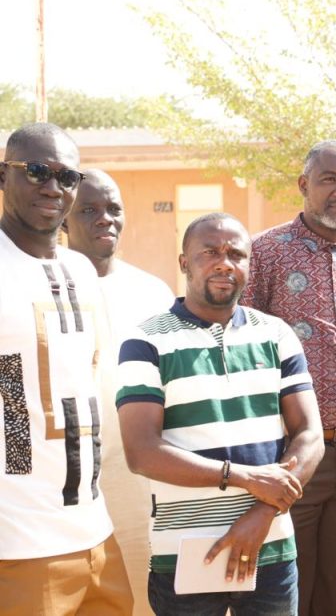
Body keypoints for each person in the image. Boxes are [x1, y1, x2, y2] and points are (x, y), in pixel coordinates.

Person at [117, 213, 323, 615]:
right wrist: (244, 477)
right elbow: (141, 452)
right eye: (209, 252)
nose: (224, 262)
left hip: (271, 549)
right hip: (185, 555)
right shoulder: (145, 341)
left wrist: (264, 512)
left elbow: (309, 435)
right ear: (184, 263)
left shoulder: (276, 334)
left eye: (236, 254)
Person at [240, 140, 336, 615]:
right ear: (304, 185)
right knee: (289, 586)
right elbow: (243, 351)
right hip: (296, 452)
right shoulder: (265, 252)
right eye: (331, 180)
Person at [0, 123, 133, 614]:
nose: (53, 187)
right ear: (3, 176)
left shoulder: (80, 269)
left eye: (67, 177)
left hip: (96, 532)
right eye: (36, 171)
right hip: (19, 546)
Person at [64, 169, 175, 614]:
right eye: (88, 210)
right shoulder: (44, 282)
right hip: (65, 480)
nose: (104, 219)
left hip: (139, 476)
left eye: (113, 209)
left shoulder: (153, 291)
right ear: (65, 220)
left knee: (145, 594)